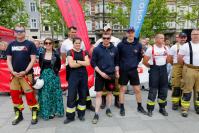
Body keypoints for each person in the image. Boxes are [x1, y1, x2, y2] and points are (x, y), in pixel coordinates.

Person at [6, 24, 39, 125]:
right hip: (14, 76)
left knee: (30, 95)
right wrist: (12, 71)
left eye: (21, 31)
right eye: (17, 31)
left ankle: (34, 114)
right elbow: (8, 60)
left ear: (24, 32)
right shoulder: (11, 45)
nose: (19, 33)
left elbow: (33, 59)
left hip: (26, 75)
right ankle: (18, 115)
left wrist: (25, 71)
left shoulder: (30, 44)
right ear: (14, 33)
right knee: (15, 95)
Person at [61, 26, 95, 111]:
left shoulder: (81, 42)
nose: (73, 33)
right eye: (72, 32)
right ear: (69, 32)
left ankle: (88, 104)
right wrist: (68, 63)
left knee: (84, 88)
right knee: (73, 88)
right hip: (71, 69)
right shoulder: (65, 43)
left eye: (75, 32)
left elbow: (84, 55)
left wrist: (77, 62)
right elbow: (63, 55)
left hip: (81, 68)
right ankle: (74, 105)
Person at [117, 27, 147, 116]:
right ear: (126, 34)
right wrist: (118, 69)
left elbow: (139, 57)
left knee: (137, 89)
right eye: (129, 32)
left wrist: (134, 63)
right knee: (122, 89)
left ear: (134, 33)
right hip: (123, 70)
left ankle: (139, 106)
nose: (130, 34)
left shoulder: (138, 45)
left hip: (133, 70)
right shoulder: (120, 45)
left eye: (132, 32)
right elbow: (117, 58)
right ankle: (122, 107)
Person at [91, 32, 119, 124]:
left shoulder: (114, 49)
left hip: (111, 75)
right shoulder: (97, 49)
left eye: (108, 38)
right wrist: (101, 73)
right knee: (99, 94)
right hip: (100, 75)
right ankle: (96, 113)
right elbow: (93, 63)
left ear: (110, 39)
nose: (106, 40)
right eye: (104, 38)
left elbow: (116, 63)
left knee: (109, 93)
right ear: (102, 38)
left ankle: (108, 109)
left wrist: (117, 72)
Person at [64, 37, 90, 124]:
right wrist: (82, 62)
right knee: (71, 95)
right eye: (76, 43)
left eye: (79, 43)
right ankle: (70, 116)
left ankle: (81, 114)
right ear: (73, 43)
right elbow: (71, 65)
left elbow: (88, 63)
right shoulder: (70, 52)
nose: (78, 45)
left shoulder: (84, 52)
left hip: (83, 76)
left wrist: (76, 61)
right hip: (73, 76)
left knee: (83, 95)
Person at [94, 24, 121, 109]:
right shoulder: (99, 41)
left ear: (111, 31)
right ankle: (103, 101)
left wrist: (117, 69)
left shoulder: (117, 40)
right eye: (105, 31)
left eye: (108, 30)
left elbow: (118, 54)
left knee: (116, 85)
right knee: (103, 88)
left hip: (113, 68)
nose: (107, 32)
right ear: (103, 32)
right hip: (102, 69)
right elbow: (93, 51)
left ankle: (117, 100)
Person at [38, 38, 64, 120]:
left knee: (54, 94)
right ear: (44, 44)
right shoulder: (41, 54)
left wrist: (54, 72)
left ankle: (53, 111)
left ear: (52, 44)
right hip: (44, 76)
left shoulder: (56, 54)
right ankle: (46, 111)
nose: (48, 44)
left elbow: (58, 66)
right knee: (45, 94)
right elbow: (40, 65)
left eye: (50, 43)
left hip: (54, 76)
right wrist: (45, 73)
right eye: (46, 43)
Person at [143, 34, 169, 117]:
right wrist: (152, 67)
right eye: (161, 38)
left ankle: (162, 108)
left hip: (163, 70)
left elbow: (168, 59)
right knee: (153, 90)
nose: (163, 39)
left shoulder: (166, 48)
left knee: (164, 90)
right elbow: (145, 61)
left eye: (163, 38)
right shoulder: (151, 49)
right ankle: (150, 109)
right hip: (154, 70)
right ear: (156, 39)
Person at [178, 29, 199, 117]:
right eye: (194, 34)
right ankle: (185, 109)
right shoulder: (186, 46)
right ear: (191, 35)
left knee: (198, 91)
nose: (196, 35)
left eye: (197, 34)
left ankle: (197, 107)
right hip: (189, 68)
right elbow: (180, 59)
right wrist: (186, 67)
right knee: (187, 90)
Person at [168, 32, 187, 110]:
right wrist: (175, 65)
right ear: (178, 38)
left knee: (184, 85)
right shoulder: (174, 47)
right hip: (176, 66)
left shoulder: (188, 46)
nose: (182, 39)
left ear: (186, 38)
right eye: (181, 37)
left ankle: (181, 102)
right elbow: (169, 58)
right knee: (176, 85)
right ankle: (175, 103)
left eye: (184, 37)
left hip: (186, 66)